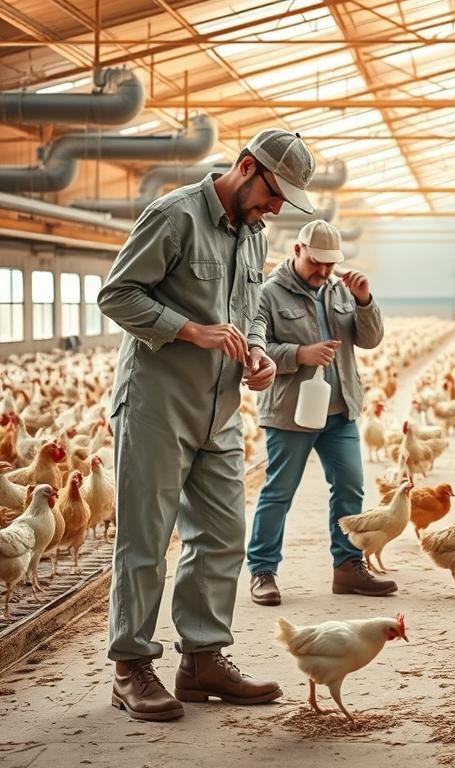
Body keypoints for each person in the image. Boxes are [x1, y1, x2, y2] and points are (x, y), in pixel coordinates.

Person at [99, 128, 317, 722]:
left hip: (220, 409)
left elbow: (248, 316)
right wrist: (190, 330)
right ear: (246, 168)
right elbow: (116, 295)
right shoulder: (173, 216)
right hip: (156, 404)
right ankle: (131, 667)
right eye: (274, 195)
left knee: (222, 535)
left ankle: (201, 659)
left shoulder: (253, 237)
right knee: (146, 540)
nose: (276, 209)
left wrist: (261, 355)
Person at [246, 219, 392, 604]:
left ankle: (347, 568)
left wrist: (364, 301)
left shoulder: (340, 289)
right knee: (279, 492)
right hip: (291, 411)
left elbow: (370, 339)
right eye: (316, 263)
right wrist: (298, 355)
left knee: (350, 486)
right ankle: (263, 571)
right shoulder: (268, 294)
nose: (324, 271)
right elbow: (255, 345)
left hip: (340, 409)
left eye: (330, 264)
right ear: (297, 251)